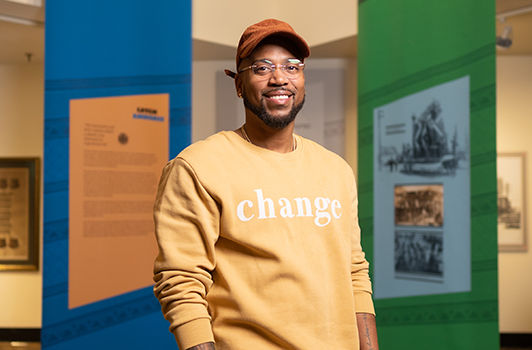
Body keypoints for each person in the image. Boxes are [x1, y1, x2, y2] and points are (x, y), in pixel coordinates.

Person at [152, 18, 378, 350]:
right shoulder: (197, 167)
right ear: (239, 85)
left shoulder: (336, 170)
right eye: (261, 68)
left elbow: (355, 272)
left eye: (291, 67)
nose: (279, 78)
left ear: (302, 80)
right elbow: (181, 281)